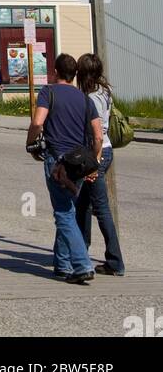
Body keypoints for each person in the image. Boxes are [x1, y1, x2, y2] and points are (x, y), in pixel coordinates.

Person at [27, 52, 103, 284]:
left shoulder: (48, 92)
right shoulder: (85, 99)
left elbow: (38, 122)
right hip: (79, 163)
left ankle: (81, 264)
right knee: (67, 209)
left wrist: (30, 143)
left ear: (56, 72)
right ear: (74, 75)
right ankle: (62, 265)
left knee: (63, 213)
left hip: (58, 161)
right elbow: (98, 136)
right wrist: (95, 161)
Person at [75, 53, 125, 276]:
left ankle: (115, 261)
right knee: (82, 205)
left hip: (96, 153)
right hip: (104, 150)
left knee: (100, 208)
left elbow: (96, 134)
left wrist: (93, 163)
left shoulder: (91, 97)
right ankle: (81, 250)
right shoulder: (105, 90)